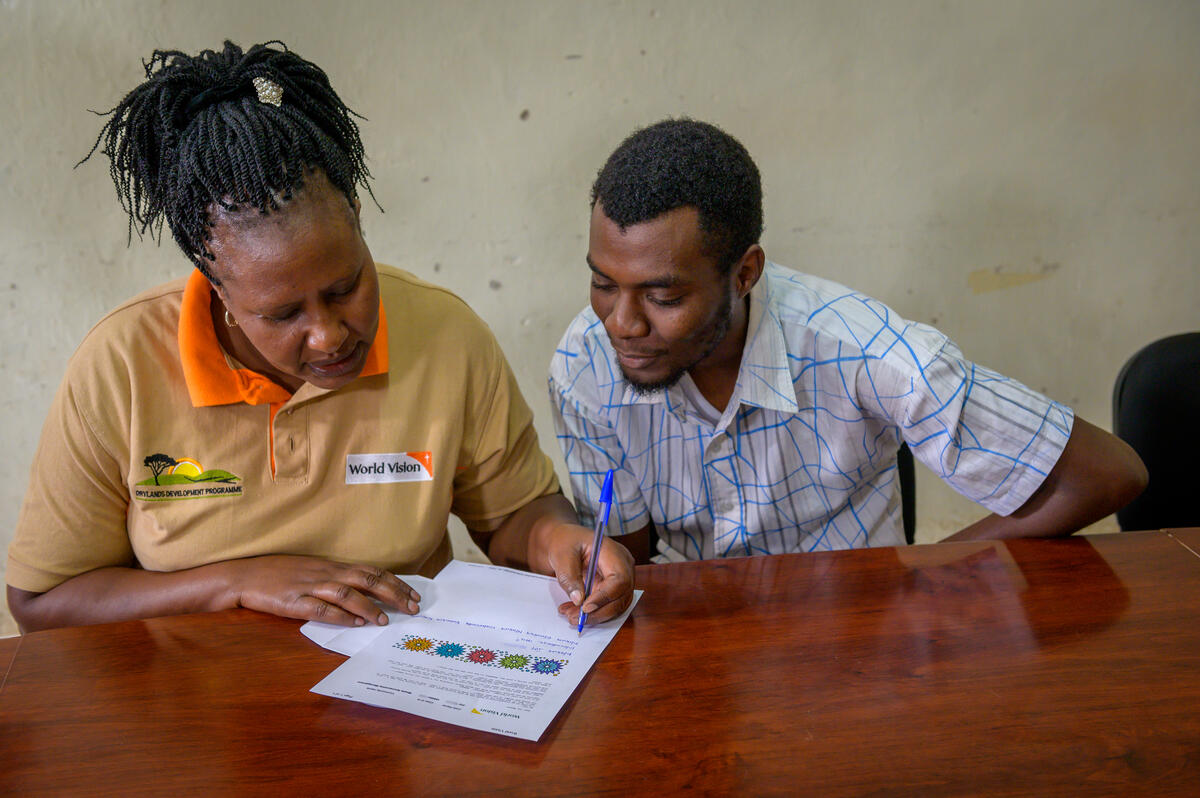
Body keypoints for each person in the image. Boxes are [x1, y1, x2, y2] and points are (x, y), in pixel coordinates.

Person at [6, 41, 633, 632]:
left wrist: (560, 541)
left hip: (402, 697)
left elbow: (515, 516)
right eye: (282, 315)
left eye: (345, 287)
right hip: (199, 716)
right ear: (216, 284)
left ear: (358, 219)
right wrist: (236, 583)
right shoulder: (119, 366)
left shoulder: (445, 334)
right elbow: (43, 600)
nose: (330, 335)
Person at [549, 118, 1147, 563]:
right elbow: (622, 556)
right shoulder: (585, 362)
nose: (622, 323)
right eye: (603, 283)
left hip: (854, 642)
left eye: (664, 297)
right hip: (697, 645)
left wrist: (925, 577)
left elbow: (1107, 474)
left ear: (745, 273)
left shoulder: (863, 352)